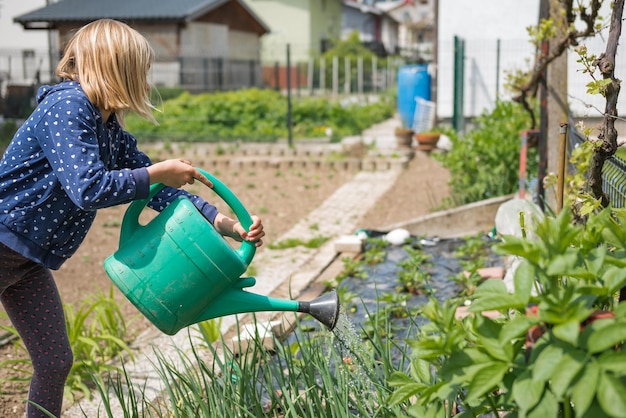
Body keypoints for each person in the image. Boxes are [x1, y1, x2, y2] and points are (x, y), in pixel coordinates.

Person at [0, 19, 264, 417]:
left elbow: (161, 193)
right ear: (115, 66)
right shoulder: (67, 106)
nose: (144, 79)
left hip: (28, 260)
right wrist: (157, 172)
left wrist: (228, 226)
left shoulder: (108, 127)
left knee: (54, 362)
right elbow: (88, 189)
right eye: (140, 69)